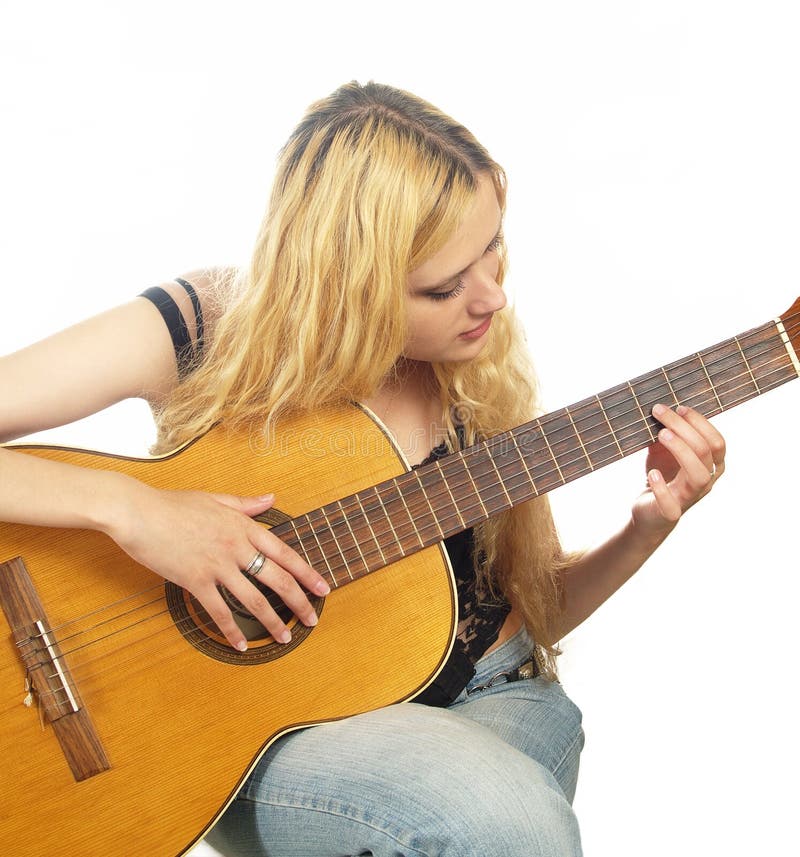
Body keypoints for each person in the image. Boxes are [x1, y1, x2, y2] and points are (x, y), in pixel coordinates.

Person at [0, 81, 725, 857]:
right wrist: (134, 510)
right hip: (271, 735)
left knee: (508, 820)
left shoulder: (477, 372)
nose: (493, 297)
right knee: (507, 820)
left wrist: (647, 528)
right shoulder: (207, 327)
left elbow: (536, 605)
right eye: (445, 286)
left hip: (496, 698)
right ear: (350, 281)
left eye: (494, 250)